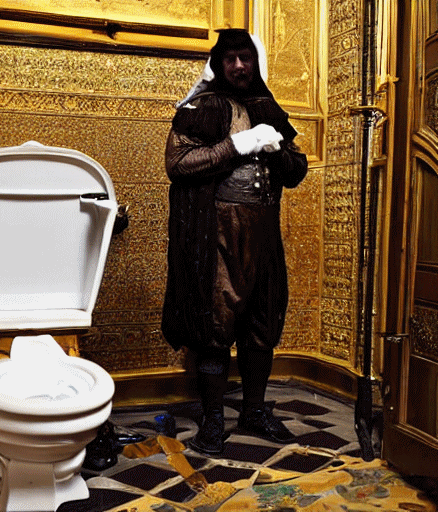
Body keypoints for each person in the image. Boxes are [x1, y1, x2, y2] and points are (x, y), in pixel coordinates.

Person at [162, 29, 308, 455]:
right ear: (219, 64)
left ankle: (255, 411)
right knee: (214, 324)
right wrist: (238, 143)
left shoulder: (267, 106)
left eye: (246, 58)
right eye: (232, 59)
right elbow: (178, 164)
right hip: (218, 231)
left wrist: (277, 146)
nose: (240, 66)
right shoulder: (201, 108)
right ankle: (213, 417)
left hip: (263, 231)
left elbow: (296, 171)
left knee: (262, 322)